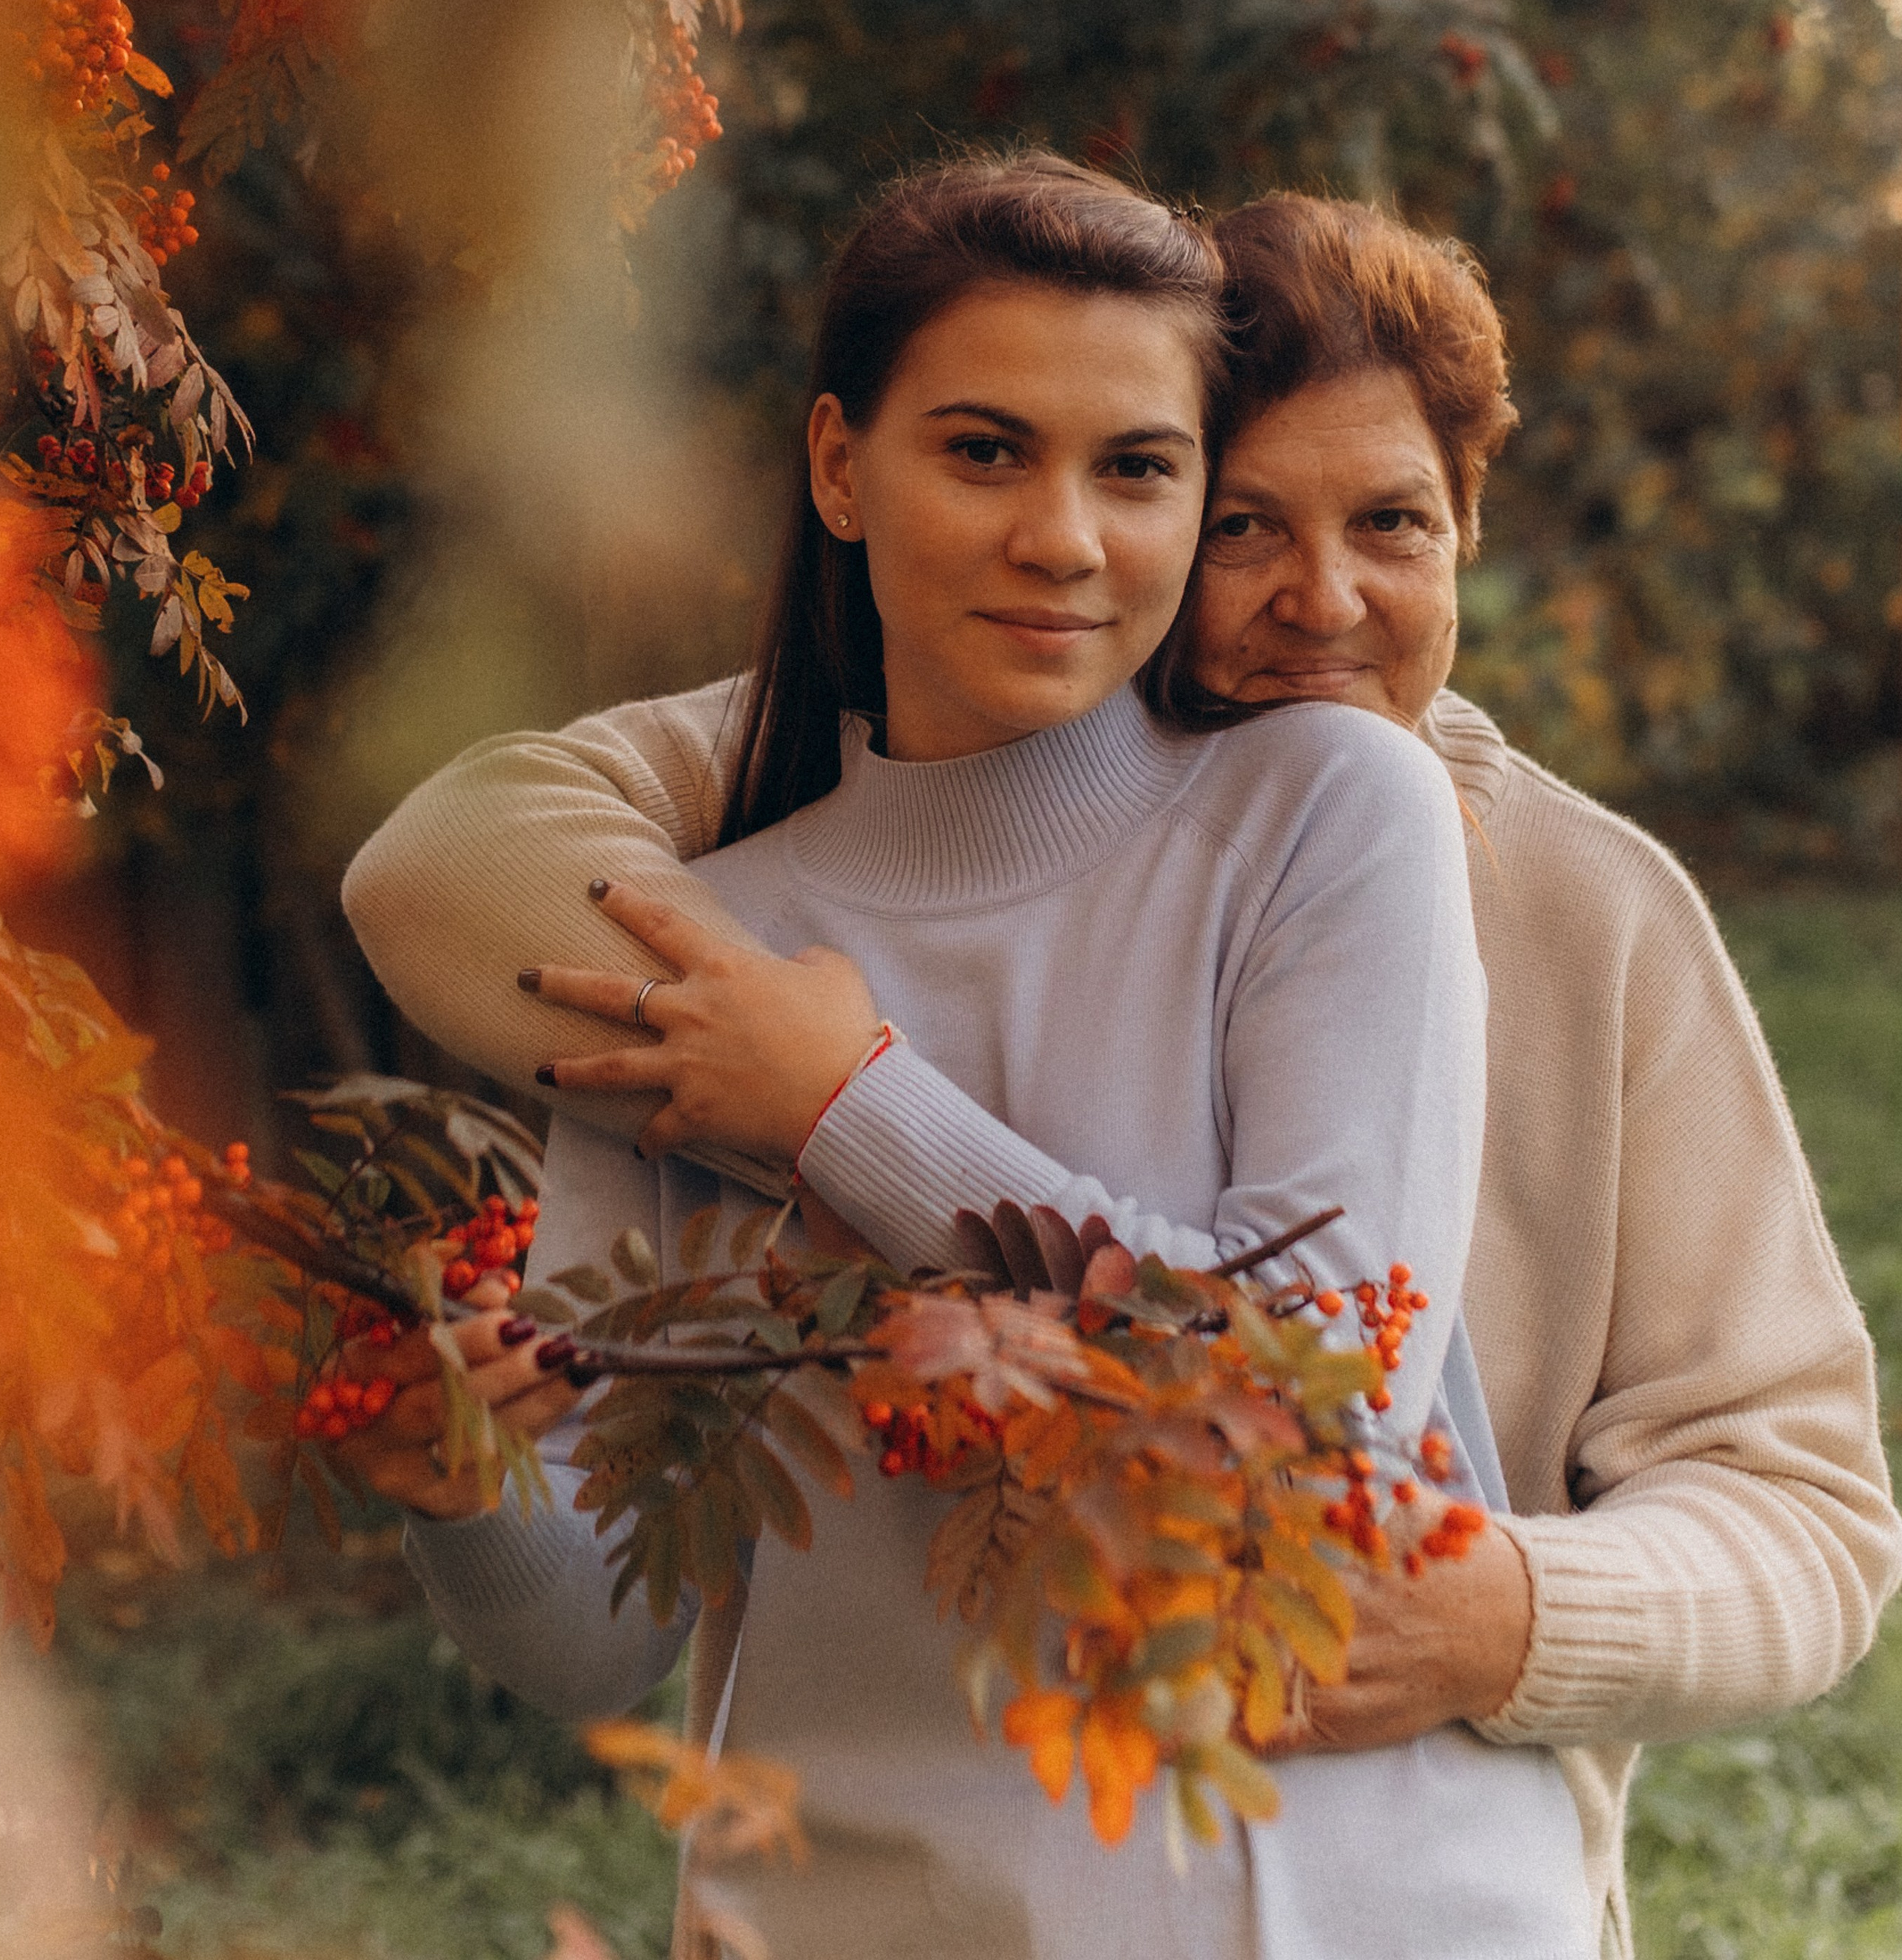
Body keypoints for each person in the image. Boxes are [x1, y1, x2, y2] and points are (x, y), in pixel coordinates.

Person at [344, 180, 1902, 1960]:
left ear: (1469, 532)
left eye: (1388, 522)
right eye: (1248, 521)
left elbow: (1335, 1402)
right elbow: (594, 1624)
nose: (1317, 601)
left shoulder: (1403, 843)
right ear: (842, 470)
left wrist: (849, 1111)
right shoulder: (700, 949)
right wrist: (467, 1488)